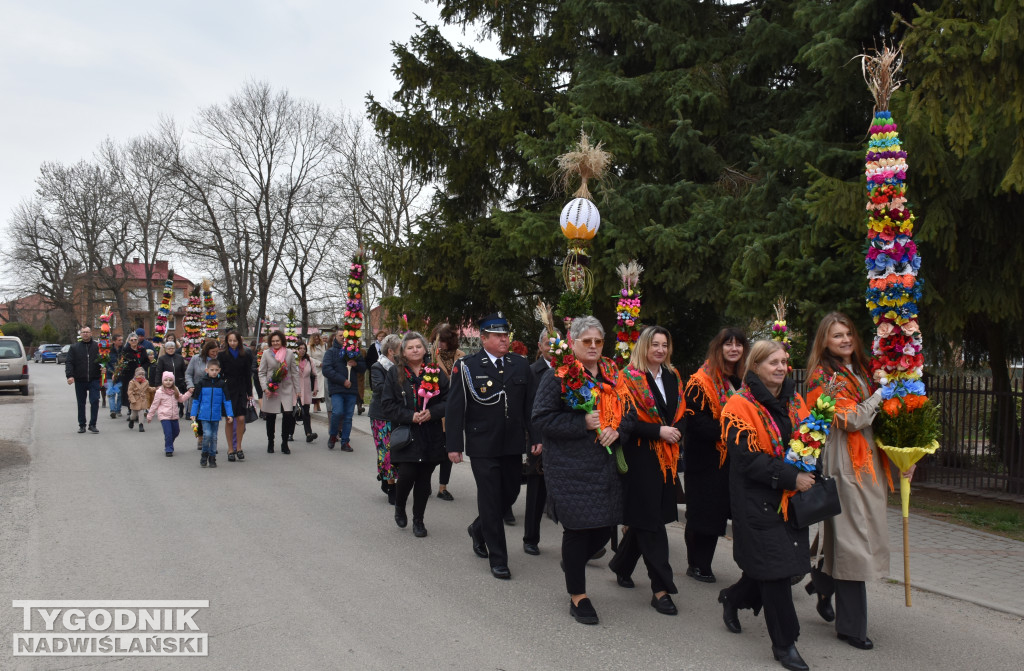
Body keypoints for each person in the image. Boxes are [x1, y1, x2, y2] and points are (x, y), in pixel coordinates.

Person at [804, 312, 909, 651]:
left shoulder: (862, 369)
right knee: (853, 545)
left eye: (848, 333)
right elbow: (850, 418)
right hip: (844, 464)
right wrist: (881, 395)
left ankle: (821, 582)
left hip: (869, 465)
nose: (845, 339)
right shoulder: (822, 376)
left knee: (850, 538)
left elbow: (877, 420)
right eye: (837, 336)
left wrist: (905, 457)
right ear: (825, 342)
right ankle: (852, 628)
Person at [716, 340, 813, 671]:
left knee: (780, 568)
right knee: (776, 571)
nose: (782, 367)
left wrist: (811, 460)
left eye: (785, 361)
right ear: (755, 366)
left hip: (790, 499)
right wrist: (790, 477)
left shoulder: (793, 400)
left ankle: (733, 597)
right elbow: (746, 460)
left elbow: (808, 439)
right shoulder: (738, 405)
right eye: (773, 362)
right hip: (757, 500)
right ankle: (785, 644)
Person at [531, 316, 622, 624]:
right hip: (570, 467)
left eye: (598, 341)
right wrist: (579, 422)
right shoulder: (559, 375)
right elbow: (541, 419)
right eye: (587, 342)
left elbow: (629, 411)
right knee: (578, 528)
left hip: (604, 464)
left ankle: (572, 563)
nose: (594, 346)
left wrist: (618, 429)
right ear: (573, 343)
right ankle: (578, 596)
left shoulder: (612, 372)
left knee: (600, 530)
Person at [447, 312, 538, 580]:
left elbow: (530, 406)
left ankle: (478, 529)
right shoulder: (467, 366)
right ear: (484, 338)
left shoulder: (520, 365)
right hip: (482, 443)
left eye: (505, 335)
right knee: (489, 498)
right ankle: (499, 559)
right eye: (497, 336)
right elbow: (455, 408)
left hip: (511, 443)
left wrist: (536, 437)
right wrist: (454, 445)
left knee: (508, 494)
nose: (503, 340)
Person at [608, 326, 686, 616]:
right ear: (643, 347)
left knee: (644, 518)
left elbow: (680, 412)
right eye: (654, 344)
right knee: (651, 521)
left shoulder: (672, 375)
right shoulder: (628, 377)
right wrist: (658, 431)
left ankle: (622, 564)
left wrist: (676, 432)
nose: (660, 350)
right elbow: (625, 420)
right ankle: (661, 589)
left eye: (664, 345)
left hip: (666, 456)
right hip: (640, 455)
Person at [682, 327, 749, 583]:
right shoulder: (700, 381)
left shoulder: (745, 380)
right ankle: (697, 564)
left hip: (734, 458)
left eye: (739, 345)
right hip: (706, 458)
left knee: (722, 511)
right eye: (728, 344)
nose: (734, 349)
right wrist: (730, 432)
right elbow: (696, 421)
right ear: (718, 348)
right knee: (703, 512)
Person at [381, 332, 449, 537]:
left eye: (418, 346)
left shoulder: (435, 372)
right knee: (407, 474)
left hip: (430, 433)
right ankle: (400, 506)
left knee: (424, 479)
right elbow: (387, 405)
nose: (415, 350)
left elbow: (448, 401)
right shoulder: (395, 373)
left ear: (425, 348)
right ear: (403, 351)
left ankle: (418, 520)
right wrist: (410, 416)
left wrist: (432, 413)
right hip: (407, 434)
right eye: (410, 347)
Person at [522, 327, 558, 556]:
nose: (552, 349)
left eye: (556, 344)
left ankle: (583, 540)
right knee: (537, 493)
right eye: (548, 344)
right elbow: (529, 409)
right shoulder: (532, 372)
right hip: (540, 440)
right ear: (540, 346)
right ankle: (530, 538)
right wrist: (535, 439)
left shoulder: (571, 370)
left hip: (564, 439)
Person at [430, 323, 466, 501]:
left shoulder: (461, 357)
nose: (441, 344)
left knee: (448, 451)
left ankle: (442, 487)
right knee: (430, 451)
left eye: (444, 341)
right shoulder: (430, 356)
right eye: (439, 341)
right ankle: (423, 482)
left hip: (453, 412)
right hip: (435, 410)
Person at [369, 334, 402, 503]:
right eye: (400, 349)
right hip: (381, 416)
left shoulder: (402, 367)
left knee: (397, 449)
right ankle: (391, 486)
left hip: (398, 414)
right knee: (386, 451)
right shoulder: (378, 367)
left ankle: (386, 477)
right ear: (391, 351)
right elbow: (379, 388)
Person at [321, 329, 366, 451]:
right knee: (337, 412)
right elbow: (326, 370)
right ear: (335, 337)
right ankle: (333, 435)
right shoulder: (331, 352)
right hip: (337, 389)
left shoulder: (355, 352)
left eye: (344, 336)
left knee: (348, 416)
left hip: (351, 389)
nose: (342, 337)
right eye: (340, 335)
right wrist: (342, 380)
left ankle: (345, 442)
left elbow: (363, 368)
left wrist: (356, 364)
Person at [258, 331, 300, 454]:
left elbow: (295, 372)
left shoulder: (289, 353)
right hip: (271, 390)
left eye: (278, 341)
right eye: (273, 341)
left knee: (287, 416)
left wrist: (298, 390)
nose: (275, 343)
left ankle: (285, 443)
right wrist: (265, 388)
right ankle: (271, 442)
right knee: (271, 417)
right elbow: (261, 372)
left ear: (282, 341)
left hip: (286, 389)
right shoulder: (266, 353)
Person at [190, 357, 234, 468]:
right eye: (212, 370)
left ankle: (212, 457)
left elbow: (227, 400)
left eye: (216, 370)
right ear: (207, 370)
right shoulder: (201, 383)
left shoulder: (222, 384)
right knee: (207, 435)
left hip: (216, 415)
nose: (214, 372)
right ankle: (204, 454)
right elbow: (196, 400)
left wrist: (230, 414)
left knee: (214, 437)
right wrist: (193, 413)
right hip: (204, 415)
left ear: (219, 370)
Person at [218, 331, 254, 461]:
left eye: (235, 340)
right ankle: (230, 449)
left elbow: (247, 375)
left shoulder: (245, 355)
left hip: (241, 389)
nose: (233, 343)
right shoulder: (222, 356)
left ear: (239, 341)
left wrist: (250, 393)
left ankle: (239, 447)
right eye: (230, 340)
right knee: (229, 419)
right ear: (227, 342)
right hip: (227, 390)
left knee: (240, 419)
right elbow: (219, 374)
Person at [65, 325, 102, 434]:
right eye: (83, 332)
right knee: (81, 403)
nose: (85, 334)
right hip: (80, 379)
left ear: (91, 333)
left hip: (94, 378)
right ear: (80, 334)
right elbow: (69, 362)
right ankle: (82, 425)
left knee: (95, 401)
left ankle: (93, 424)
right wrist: (70, 375)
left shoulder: (97, 346)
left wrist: (103, 368)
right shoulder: (74, 347)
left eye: (87, 332)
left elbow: (103, 360)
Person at [146, 372, 192, 456]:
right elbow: (155, 404)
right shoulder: (159, 392)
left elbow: (181, 399)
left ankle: (169, 441)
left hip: (174, 415)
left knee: (176, 432)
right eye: (166, 380)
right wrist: (150, 415)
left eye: (170, 380)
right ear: (162, 381)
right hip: (164, 416)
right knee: (168, 433)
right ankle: (169, 449)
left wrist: (189, 393)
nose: (168, 382)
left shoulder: (175, 390)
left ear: (173, 381)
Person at [186, 339, 220, 448]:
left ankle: (211, 439)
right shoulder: (196, 359)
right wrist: (190, 385)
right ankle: (200, 437)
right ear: (207, 350)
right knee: (199, 416)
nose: (215, 354)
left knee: (211, 415)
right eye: (213, 352)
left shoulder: (218, 360)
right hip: (198, 389)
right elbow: (188, 374)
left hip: (213, 390)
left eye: (216, 352)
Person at [293, 342, 319, 443]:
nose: (302, 350)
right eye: (300, 348)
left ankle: (308, 434)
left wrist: (315, 388)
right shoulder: (293, 359)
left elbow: (314, 375)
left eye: (304, 348)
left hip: (306, 389)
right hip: (295, 389)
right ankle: (290, 433)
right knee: (293, 412)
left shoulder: (309, 360)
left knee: (306, 413)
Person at [155, 340, 187, 416]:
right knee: (169, 397)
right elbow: (159, 371)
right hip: (167, 382)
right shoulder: (162, 359)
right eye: (169, 348)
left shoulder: (179, 358)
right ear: (166, 350)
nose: (171, 350)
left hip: (179, 380)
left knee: (179, 395)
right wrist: (158, 384)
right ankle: (170, 411)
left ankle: (181, 409)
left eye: (172, 348)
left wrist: (185, 379)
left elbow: (184, 369)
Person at [308, 332, 327, 412]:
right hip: (315, 368)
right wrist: (319, 363)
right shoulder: (310, 347)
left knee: (321, 389)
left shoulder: (323, 346)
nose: (316, 340)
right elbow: (309, 357)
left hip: (323, 369)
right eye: (315, 339)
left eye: (318, 338)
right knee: (316, 387)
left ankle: (318, 403)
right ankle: (315, 405)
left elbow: (326, 355)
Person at [127, 367, 150, 432]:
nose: (141, 376)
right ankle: (131, 420)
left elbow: (148, 389)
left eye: (143, 374)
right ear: (135, 375)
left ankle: (141, 425)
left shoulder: (146, 382)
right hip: (135, 399)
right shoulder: (132, 382)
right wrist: (132, 400)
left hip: (142, 399)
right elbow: (130, 392)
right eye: (139, 374)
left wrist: (155, 389)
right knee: (133, 415)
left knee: (141, 412)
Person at [106, 333, 124, 418]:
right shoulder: (108, 350)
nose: (121, 341)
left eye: (122, 340)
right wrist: (113, 372)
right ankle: (112, 410)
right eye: (119, 340)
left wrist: (118, 371)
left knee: (120, 393)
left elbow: (125, 362)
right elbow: (106, 362)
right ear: (114, 341)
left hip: (120, 376)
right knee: (111, 393)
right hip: (110, 375)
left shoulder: (123, 350)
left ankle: (118, 410)